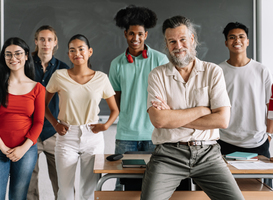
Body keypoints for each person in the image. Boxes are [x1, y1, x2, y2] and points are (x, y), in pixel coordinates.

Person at [140, 16, 244, 200]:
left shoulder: (213, 71)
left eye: (182, 39)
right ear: (166, 44)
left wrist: (173, 117)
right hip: (168, 155)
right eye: (172, 41)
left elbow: (222, 120)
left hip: (208, 154)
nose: (178, 46)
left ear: (192, 39)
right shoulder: (157, 75)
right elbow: (159, 120)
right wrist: (204, 110)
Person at [45, 34, 119, 200]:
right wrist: (55, 124)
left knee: (89, 190)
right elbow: (42, 105)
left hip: (92, 136)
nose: (77, 53)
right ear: (68, 54)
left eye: (81, 49)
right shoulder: (59, 76)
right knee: (64, 191)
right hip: (66, 135)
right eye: (72, 50)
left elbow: (114, 110)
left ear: (90, 51)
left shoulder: (101, 78)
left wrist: (106, 126)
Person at [218, 22, 273, 187]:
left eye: (241, 37)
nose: (237, 41)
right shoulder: (218, 71)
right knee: (225, 191)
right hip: (225, 141)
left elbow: (271, 105)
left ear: (247, 41)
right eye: (232, 37)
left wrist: (269, 136)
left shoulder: (261, 70)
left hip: (257, 143)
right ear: (226, 42)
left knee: (264, 191)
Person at [109, 5, 169, 155]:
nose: (136, 38)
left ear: (146, 35)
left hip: (154, 133)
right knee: (124, 179)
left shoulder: (160, 60)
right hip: (126, 135)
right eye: (131, 34)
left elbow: (169, 94)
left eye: (140, 34)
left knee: (154, 178)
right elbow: (115, 98)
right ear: (125, 34)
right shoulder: (116, 64)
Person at [0, 37, 45, 200]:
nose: (13, 58)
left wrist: (23, 148)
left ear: (26, 56)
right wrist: (3, 148)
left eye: (18, 54)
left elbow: (39, 122)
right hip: (0, 147)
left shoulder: (37, 88)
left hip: (25, 150)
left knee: (18, 197)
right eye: (8, 54)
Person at [27, 25, 69, 200]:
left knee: (61, 184)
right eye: (42, 39)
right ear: (36, 41)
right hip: (29, 133)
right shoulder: (24, 65)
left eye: (49, 39)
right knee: (29, 184)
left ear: (55, 42)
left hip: (54, 133)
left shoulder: (63, 68)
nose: (46, 43)